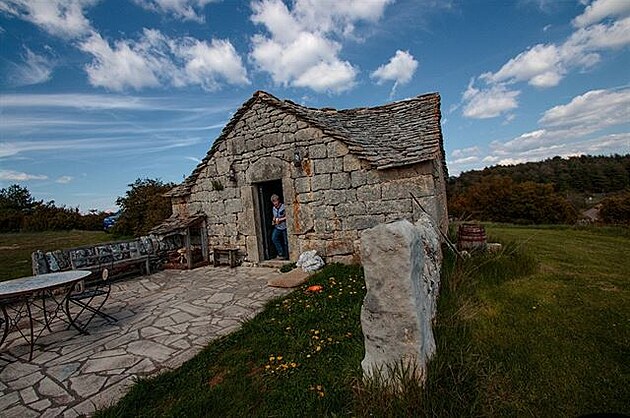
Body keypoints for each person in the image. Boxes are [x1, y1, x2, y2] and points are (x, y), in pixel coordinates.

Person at [270, 194, 289, 260]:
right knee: (274, 238)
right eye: (273, 202)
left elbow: (288, 216)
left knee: (286, 241)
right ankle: (281, 253)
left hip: (284, 227)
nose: (274, 203)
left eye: (275, 201)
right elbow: (274, 216)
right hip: (277, 226)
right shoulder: (273, 208)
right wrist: (274, 220)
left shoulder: (284, 207)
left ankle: (287, 256)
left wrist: (280, 219)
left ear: (278, 201)